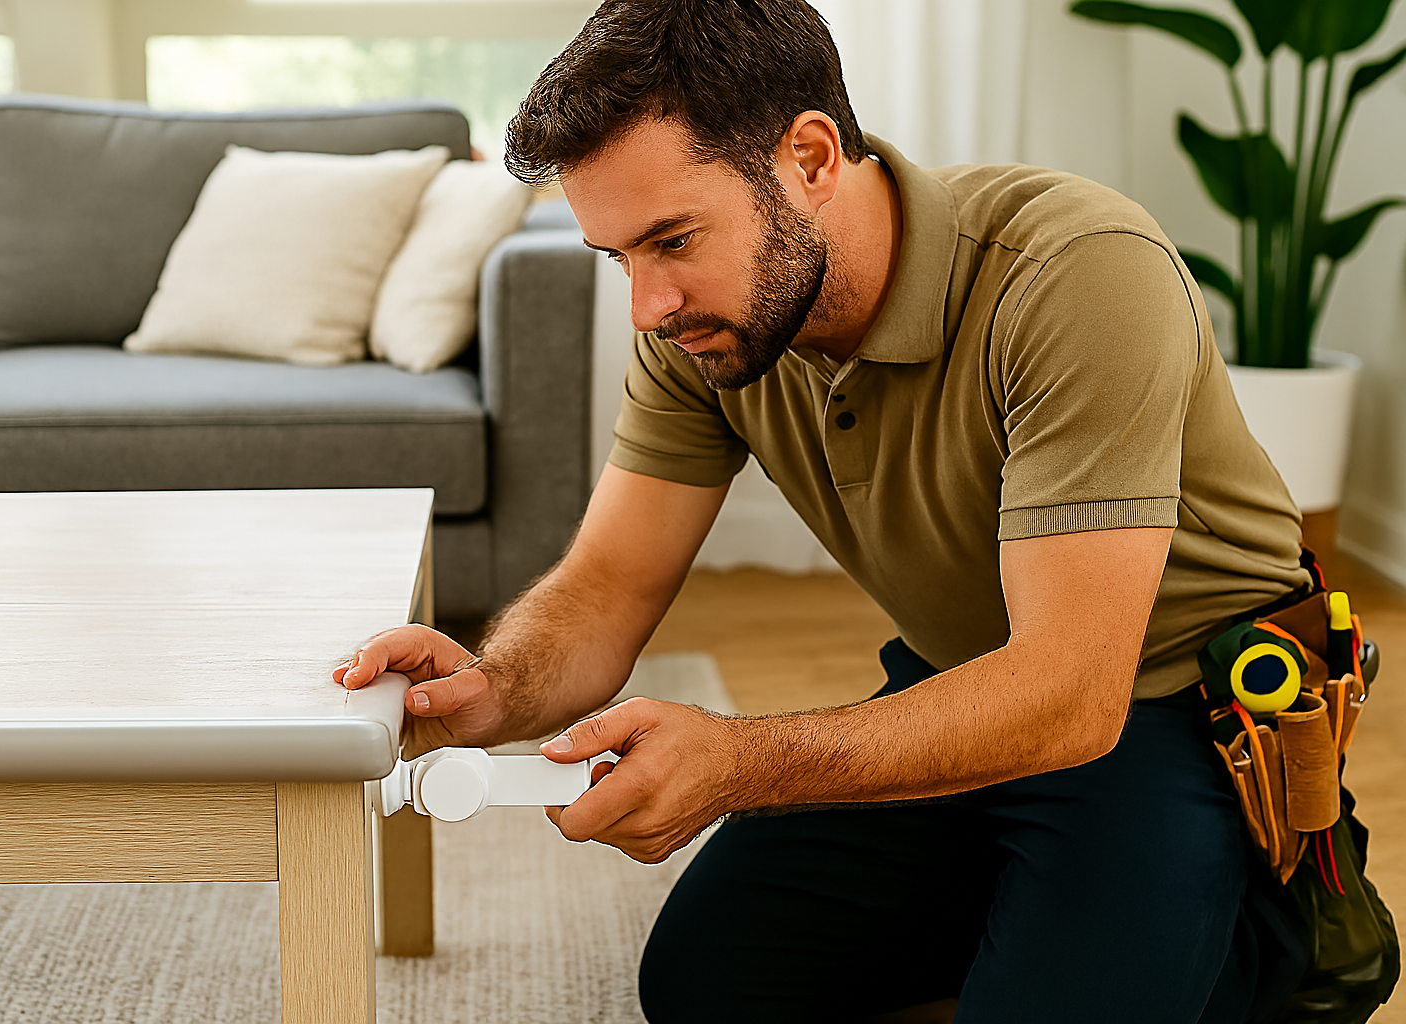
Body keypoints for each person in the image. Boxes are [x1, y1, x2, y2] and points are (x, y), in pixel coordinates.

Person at [335, 1, 1313, 1019]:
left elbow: (1071, 692)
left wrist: (742, 763)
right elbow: (610, 584)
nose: (647, 305)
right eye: (619, 257)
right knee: (705, 986)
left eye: (671, 238)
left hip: (1171, 714)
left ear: (809, 158)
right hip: (957, 679)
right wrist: (490, 692)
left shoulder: (1072, 272)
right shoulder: (702, 327)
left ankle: (1255, 934)